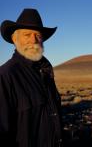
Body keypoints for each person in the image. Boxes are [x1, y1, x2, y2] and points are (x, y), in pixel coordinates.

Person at [0, 8, 63, 147]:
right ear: (14, 39)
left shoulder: (46, 72)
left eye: (38, 35)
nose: (33, 40)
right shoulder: (5, 76)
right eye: (27, 35)